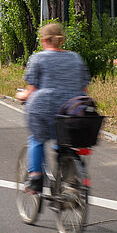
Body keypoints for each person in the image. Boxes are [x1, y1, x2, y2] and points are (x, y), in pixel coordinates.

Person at [14, 22, 90, 193]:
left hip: (44, 108)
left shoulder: (39, 58)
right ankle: (69, 174)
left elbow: (31, 91)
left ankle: (35, 178)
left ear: (44, 40)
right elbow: (84, 90)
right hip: (72, 111)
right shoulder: (75, 58)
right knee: (63, 140)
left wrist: (20, 96)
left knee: (37, 139)